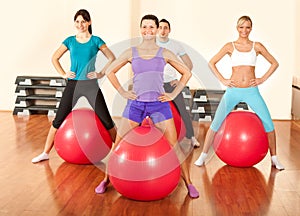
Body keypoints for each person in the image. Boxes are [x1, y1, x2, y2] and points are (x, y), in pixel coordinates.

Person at [95, 14, 199, 198]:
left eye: (152, 27)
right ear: (140, 28)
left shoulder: (165, 53)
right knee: (117, 144)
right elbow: (110, 72)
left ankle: (189, 183)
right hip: (136, 105)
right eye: (145, 27)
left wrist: (173, 94)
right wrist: (123, 92)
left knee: (174, 147)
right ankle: (105, 180)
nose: (148, 30)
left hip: (159, 105)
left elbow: (186, 73)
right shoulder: (131, 52)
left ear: (158, 29)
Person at [194, 15, 285, 170]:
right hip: (233, 91)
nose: (244, 30)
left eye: (247, 27)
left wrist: (262, 79)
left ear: (251, 28)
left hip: (251, 91)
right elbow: (212, 62)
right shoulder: (230, 46)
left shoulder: (257, 46)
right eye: (241, 27)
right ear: (237, 28)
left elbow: (275, 63)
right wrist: (223, 79)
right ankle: (203, 156)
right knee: (216, 123)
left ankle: (274, 159)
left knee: (268, 124)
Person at [31, 9, 117, 163]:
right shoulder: (70, 41)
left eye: (83, 21)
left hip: (91, 85)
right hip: (73, 84)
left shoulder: (96, 40)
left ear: (89, 22)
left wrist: (100, 73)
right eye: (77, 21)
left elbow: (112, 57)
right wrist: (63, 74)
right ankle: (45, 152)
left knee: (107, 121)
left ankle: (119, 154)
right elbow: (55, 58)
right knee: (58, 120)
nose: (80, 24)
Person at [157, 18, 200, 148]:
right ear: (157, 29)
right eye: (160, 27)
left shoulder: (176, 45)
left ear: (169, 30)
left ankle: (192, 138)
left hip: (171, 83)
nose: (163, 30)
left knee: (182, 109)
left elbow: (189, 64)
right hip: (156, 84)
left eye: (166, 28)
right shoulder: (152, 44)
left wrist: (180, 79)